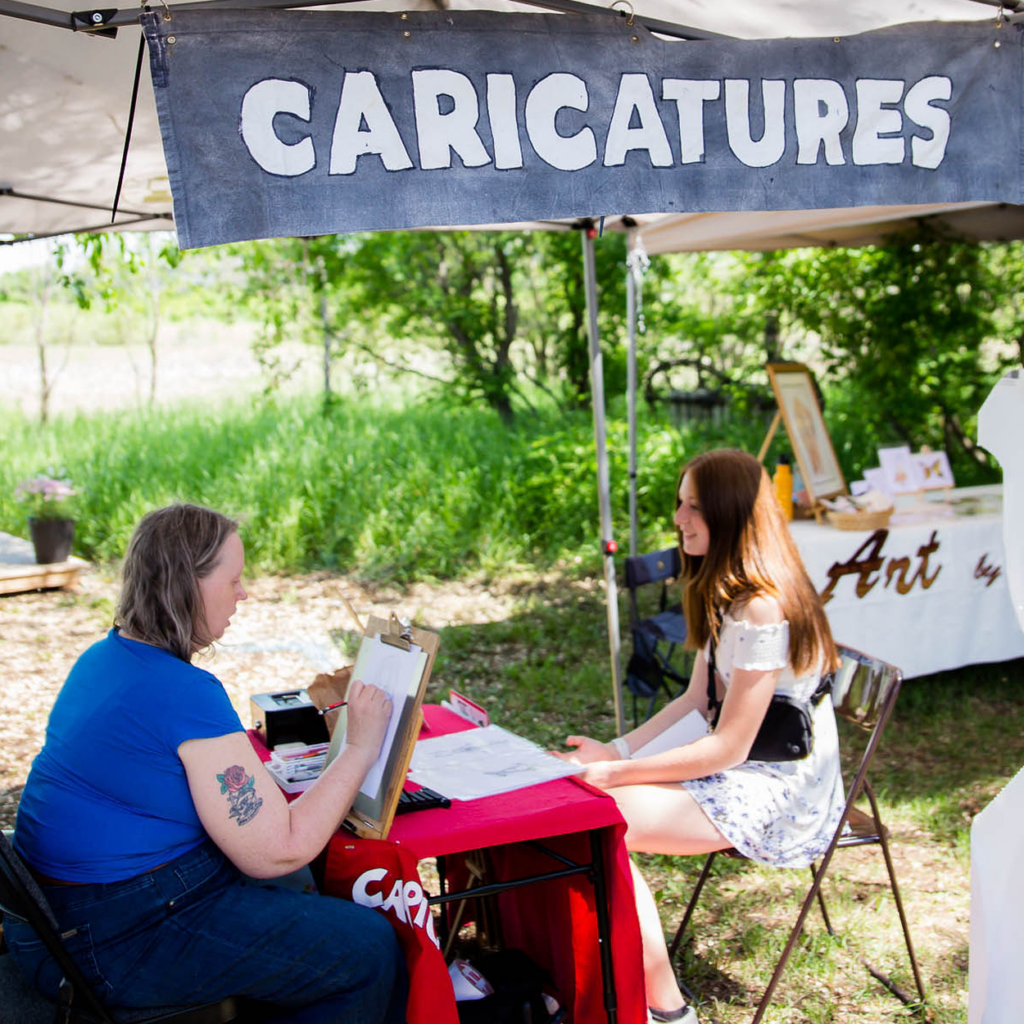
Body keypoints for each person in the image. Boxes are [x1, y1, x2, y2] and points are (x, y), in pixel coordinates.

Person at [4, 503, 408, 1024]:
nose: (245, 593)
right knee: (367, 949)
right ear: (185, 585)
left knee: (299, 884)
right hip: (107, 938)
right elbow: (276, 851)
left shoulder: (105, 657)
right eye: (234, 579)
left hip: (59, 919)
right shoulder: (181, 692)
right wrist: (360, 748)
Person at [555, 448, 845, 1024]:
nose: (679, 519)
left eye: (694, 507)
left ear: (732, 515)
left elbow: (729, 745)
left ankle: (667, 1012)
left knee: (599, 818)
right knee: (586, 812)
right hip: (741, 765)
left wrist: (614, 773)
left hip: (780, 788)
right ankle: (589, 983)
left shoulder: (762, 608)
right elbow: (694, 703)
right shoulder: (725, 590)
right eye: (680, 503)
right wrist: (616, 751)